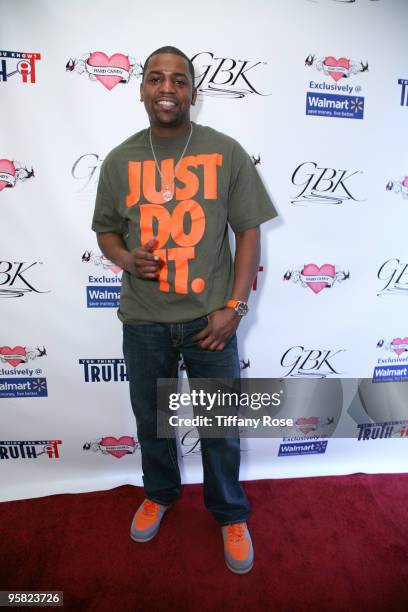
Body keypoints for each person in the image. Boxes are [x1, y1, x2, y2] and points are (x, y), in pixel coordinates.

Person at [92, 45, 277, 574]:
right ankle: (159, 492)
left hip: (210, 322)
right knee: (152, 423)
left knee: (220, 424)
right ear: (142, 88)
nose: (167, 88)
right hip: (145, 321)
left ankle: (229, 513)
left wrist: (235, 308)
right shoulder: (121, 159)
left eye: (178, 79)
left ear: (193, 91)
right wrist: (125, 256)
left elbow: (247, 232)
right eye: (156, 78)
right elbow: (105, 230)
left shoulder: (226, 151)